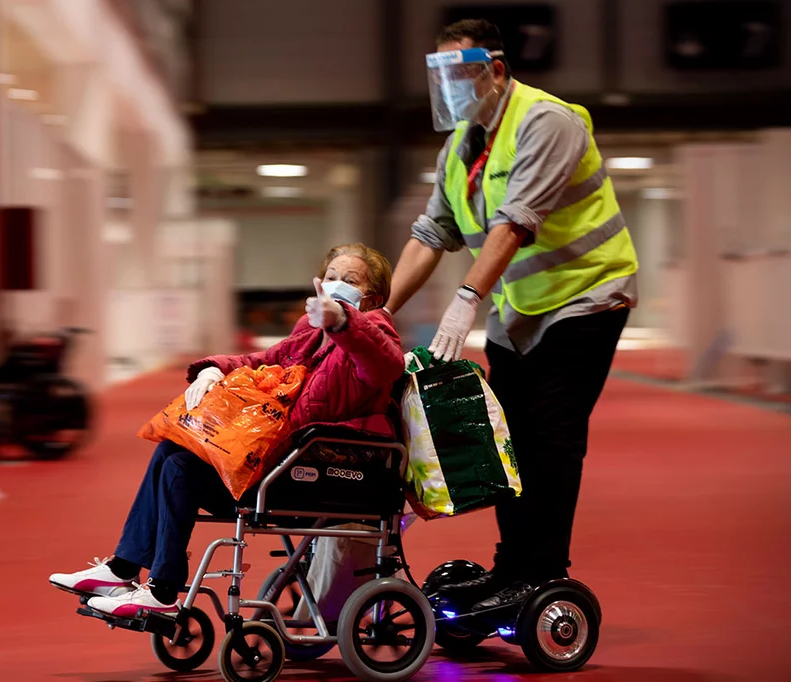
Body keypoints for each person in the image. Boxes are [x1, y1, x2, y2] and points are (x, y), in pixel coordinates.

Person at [384, 19, 639, 612]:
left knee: (550, 439)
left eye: (462, 75)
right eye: (441, 77)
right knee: (507, 445)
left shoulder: (548, 121)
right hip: (519, 314)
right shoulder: (458, 149)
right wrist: (377, 313)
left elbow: (516, 222)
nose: (450, 90)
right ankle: (511, 569)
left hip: (585, 298)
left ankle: (543, 571)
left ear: (496, 71)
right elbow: (429, 236)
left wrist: (465, 298)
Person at [49, 244, 405, 618]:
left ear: (373, 298)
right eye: (330, 277)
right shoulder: (309, 331)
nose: (334, 286)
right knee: (172, 447)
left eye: (349, 281)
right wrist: (215, 368)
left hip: (311, 472)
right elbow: (264, 359)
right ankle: (122, 570)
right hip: (279, 462)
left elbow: (385, 363)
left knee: (180, 472)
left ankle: (162, 589)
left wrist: (344, 322)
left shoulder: (376, 330)